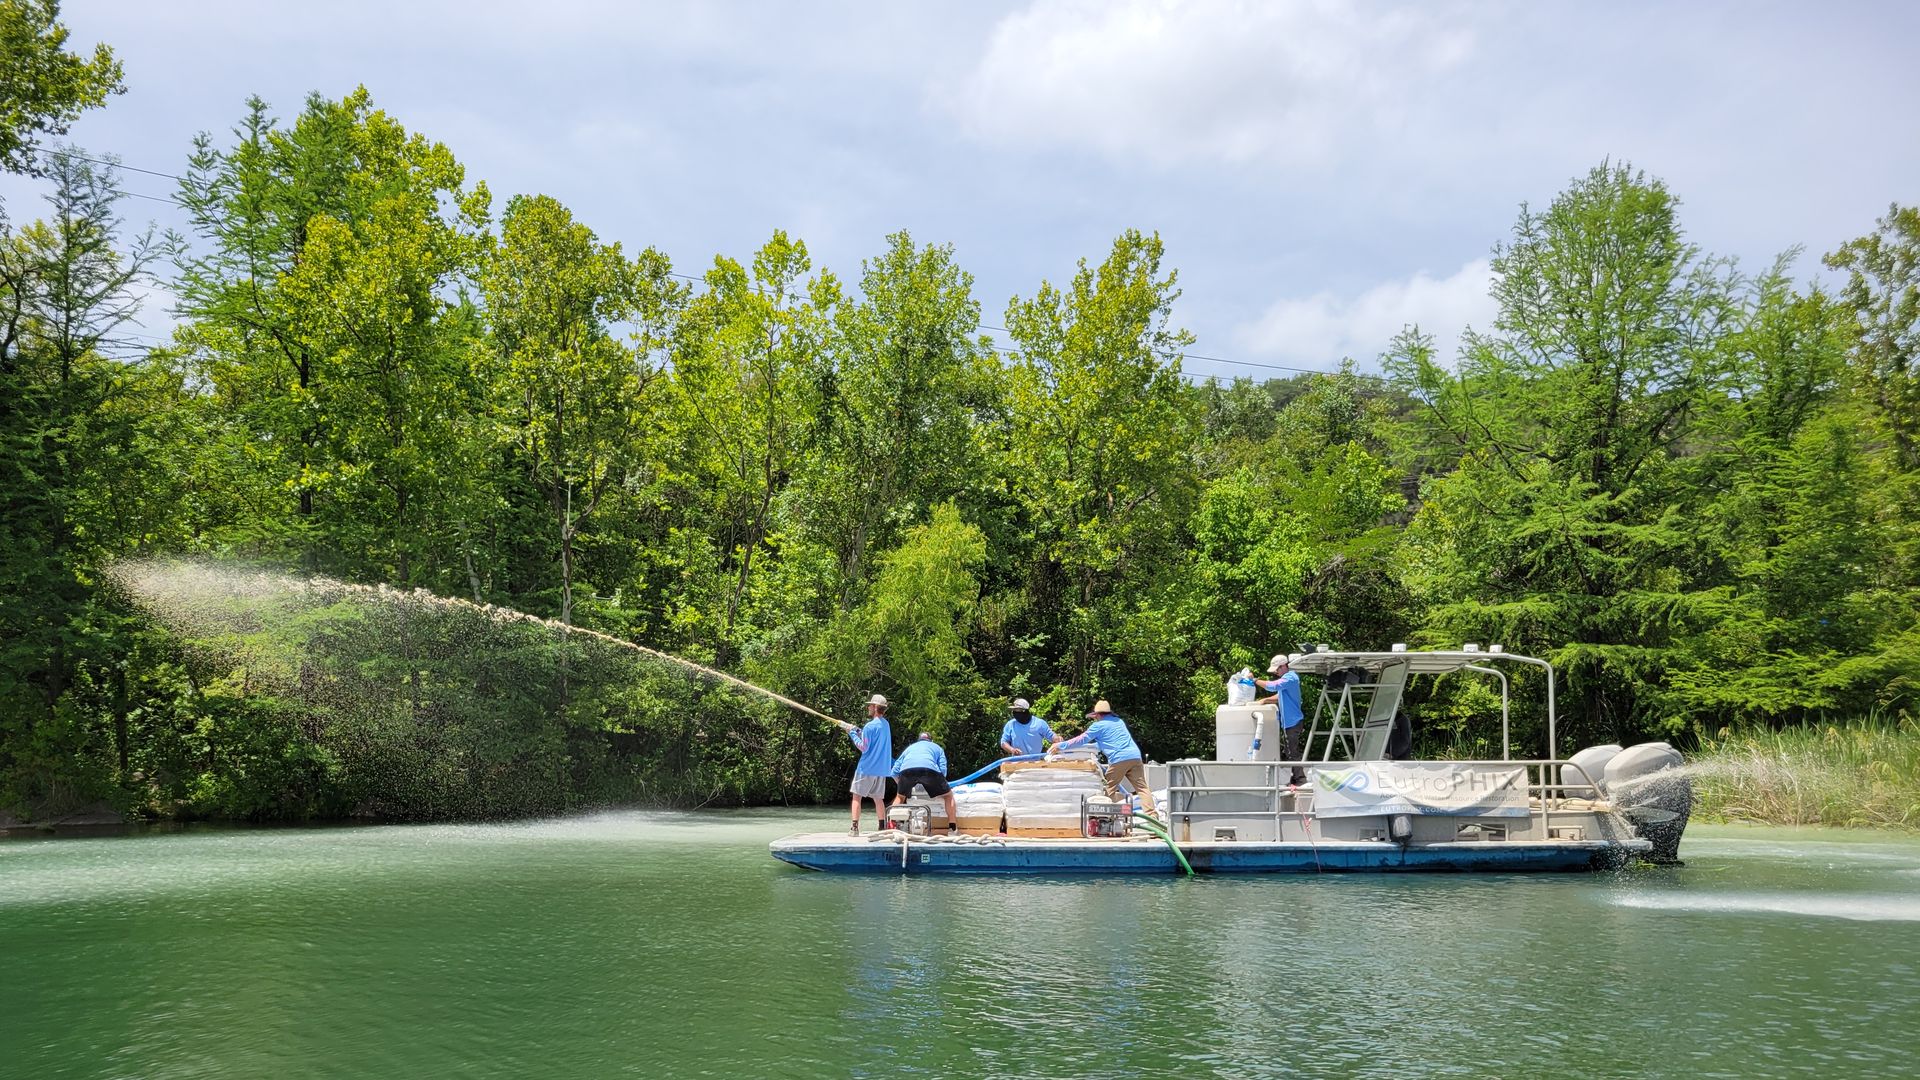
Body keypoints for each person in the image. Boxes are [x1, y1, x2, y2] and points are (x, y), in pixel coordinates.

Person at [1054, 700, 1158, 817]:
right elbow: (1105, 742)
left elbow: (1082, 739)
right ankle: (1152, 816)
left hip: (1119, 759)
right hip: (1135, 757)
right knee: (1142, 788)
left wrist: (1061, 746)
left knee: (1108, 789)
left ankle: (1106, 817)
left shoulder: (1098, 726)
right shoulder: (1119, 722)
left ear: (1097, 715)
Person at [1254, 654, 1308, 786]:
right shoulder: (1287, 680)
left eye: (1277, 670)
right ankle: (1295, 779)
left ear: (1284, 666)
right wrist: (1266, 700)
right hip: (1289, 722)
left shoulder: (1291, 677)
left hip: (1293, 721)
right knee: (1289, 751)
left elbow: (1273, 686)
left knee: (1292, 751)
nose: (1276, 673)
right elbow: (1280, 695)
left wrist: (1255, 680)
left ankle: (1300, 780)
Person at [891, 732, 958, 833]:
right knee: (948, 796)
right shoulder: (937, 748)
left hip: (906, 771)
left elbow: (894, 772)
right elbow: (943, 771)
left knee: (900, 797)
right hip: (929, 770)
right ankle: (952, 828)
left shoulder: (909, 748)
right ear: (931, 740)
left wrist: (901, 785)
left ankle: (892, 826)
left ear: (918, 740)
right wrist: (939, 786)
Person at [847, 693, 893, 835]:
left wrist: (852, 733)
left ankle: (854, 828)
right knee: (878, 798)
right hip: (881, 770)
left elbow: (864, 747)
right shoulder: (886, 725)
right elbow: (873, 741)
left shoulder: (869, 726)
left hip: (866, 768)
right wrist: (859, 731)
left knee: (856, 796)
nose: (868, 707)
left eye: (870, 705)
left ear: (875, 707)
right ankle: (882, 827)